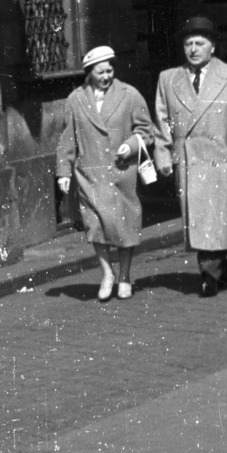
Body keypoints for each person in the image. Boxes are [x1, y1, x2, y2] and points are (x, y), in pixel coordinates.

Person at [153, 17, 227, 298]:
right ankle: (219, 268)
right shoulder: (168, 79)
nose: (194, 49)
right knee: (201, 221)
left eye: (200, 43)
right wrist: (163, 154)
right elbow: (163, 122)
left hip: (221, 161)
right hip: (188, 163)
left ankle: (209, 275)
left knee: (215, 220)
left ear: (213, 46)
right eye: (188, 44)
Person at [56, 46, 154, 301]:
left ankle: (125, 276)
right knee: (95, 226)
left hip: (121, 171)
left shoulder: (129, 95)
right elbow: (68, 139)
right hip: (90, 174)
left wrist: (131, 145)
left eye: (110, 70)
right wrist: (63, 172)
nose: (106, 76)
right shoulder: (75, 100)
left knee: (125, 226)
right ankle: (107, 273)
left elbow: (146, 131)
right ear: (89, 73)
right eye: (100, 72)